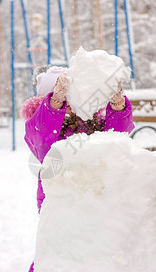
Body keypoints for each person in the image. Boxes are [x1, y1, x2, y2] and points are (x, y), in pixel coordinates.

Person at [22, 65, 135, 272]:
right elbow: (44, 143)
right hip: (60, 201)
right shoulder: (41, 127)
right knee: (59, 252)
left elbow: (117, 137)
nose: (68, 105)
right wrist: (55, 104)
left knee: (97, 249)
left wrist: (117, 105)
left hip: (97, 198)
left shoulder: (93, 123)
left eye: (69, 98)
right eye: (60, 100)